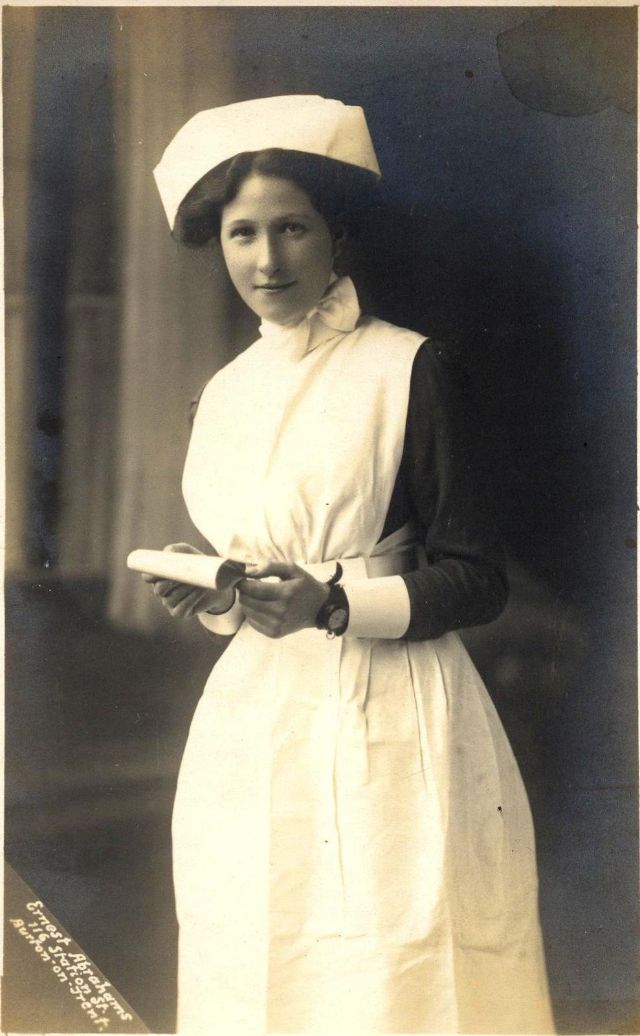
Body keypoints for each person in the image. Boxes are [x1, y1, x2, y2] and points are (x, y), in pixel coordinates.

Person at [144, 95, 555, 1034]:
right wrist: (211, 587)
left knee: (393, 970)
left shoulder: (410, 367)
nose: (267, 259)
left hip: (395, 706)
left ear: (337, 234)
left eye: (291, 228)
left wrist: (333, 605)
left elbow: (476, 577)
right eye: (243, 233)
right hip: (257, 719)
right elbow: (257, 571)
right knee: (259, 956)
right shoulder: (225, 392)